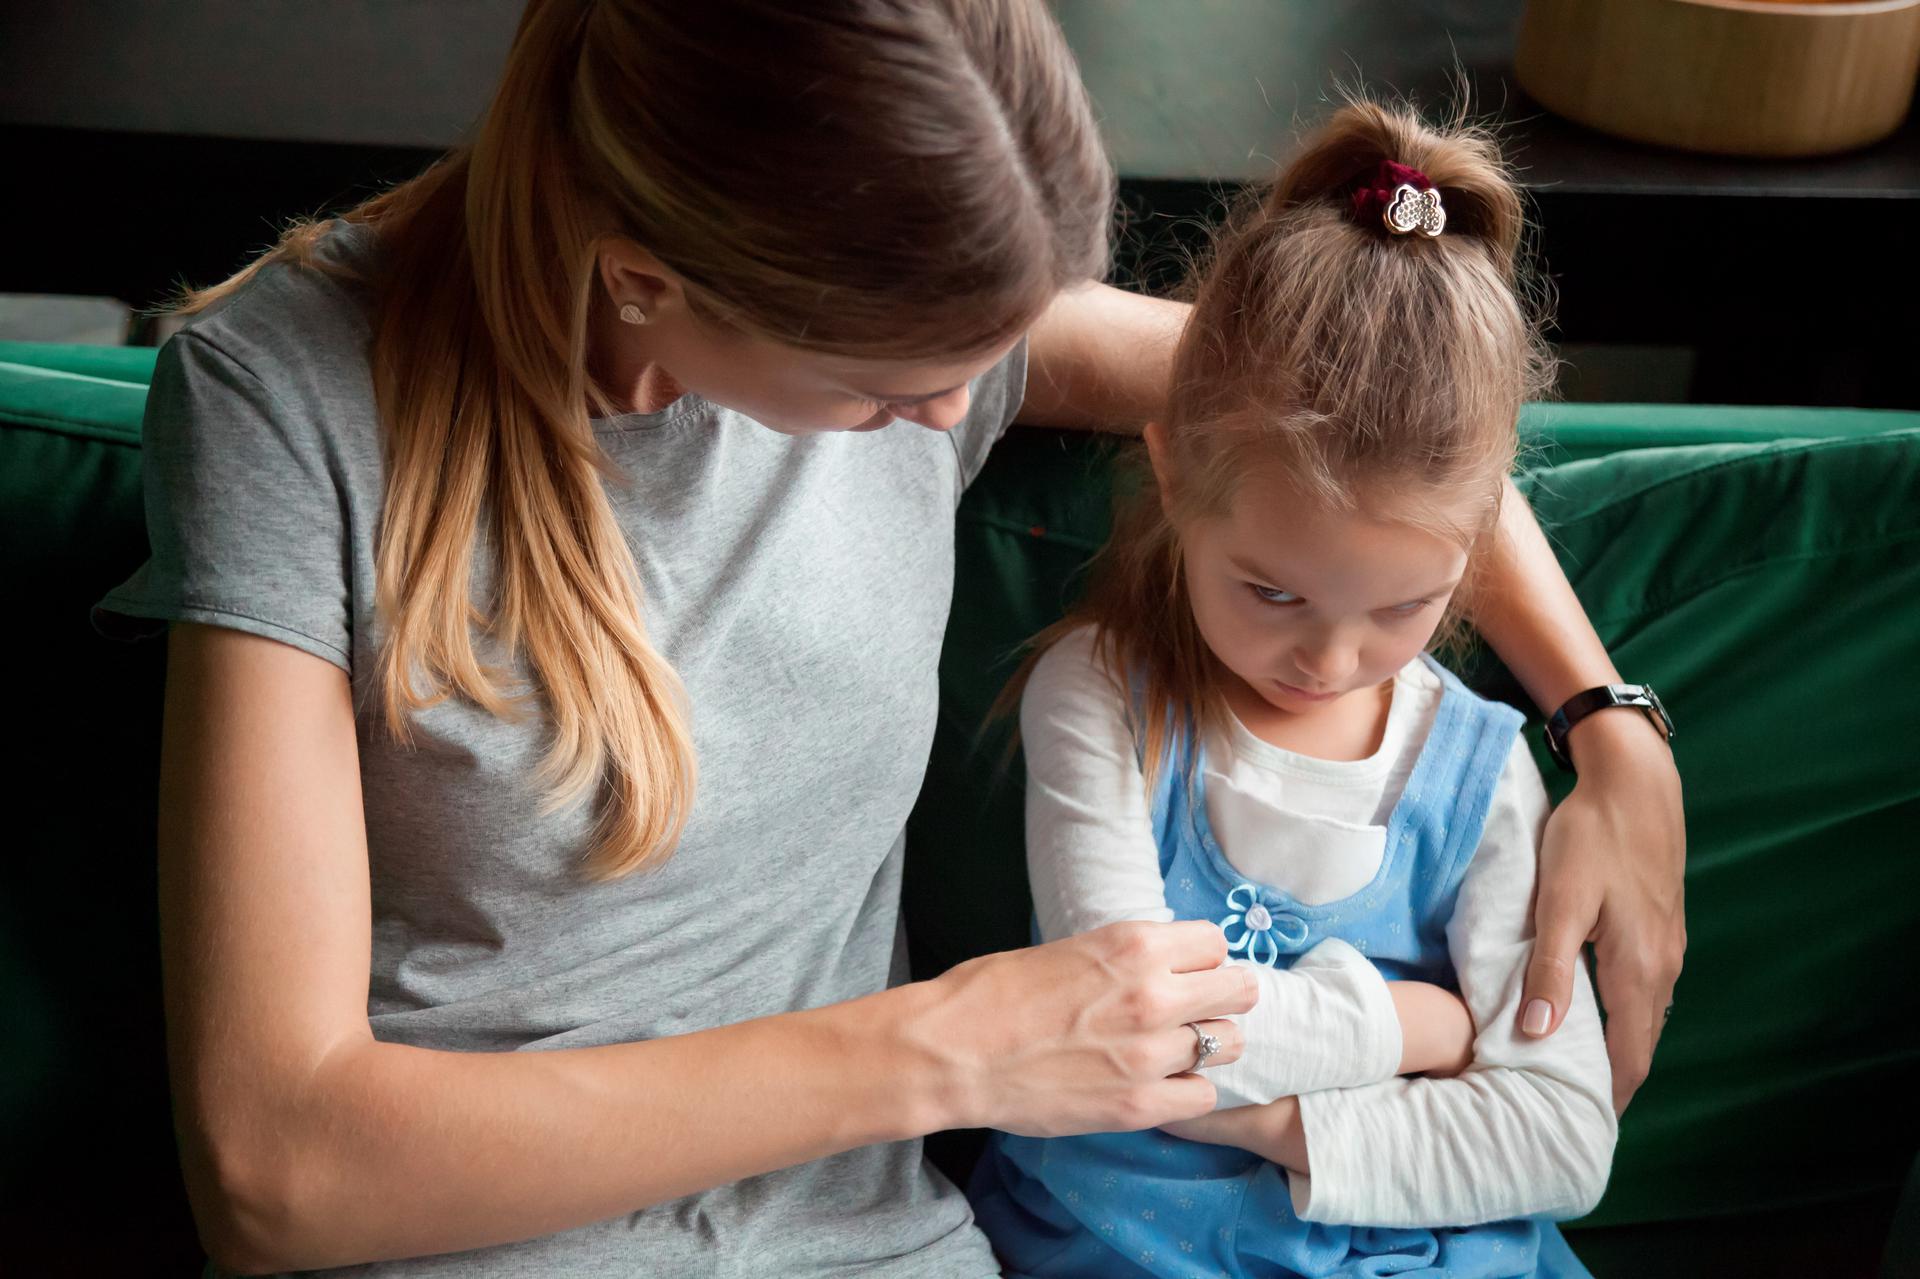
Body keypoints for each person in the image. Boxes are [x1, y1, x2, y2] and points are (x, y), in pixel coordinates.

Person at [90, 2, 1680, 1274]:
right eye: (888, 392)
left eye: (993, 355)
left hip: (881, 1244)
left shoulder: (923, 318)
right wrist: (944, 1053)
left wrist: (1606, 718)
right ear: (647, 280)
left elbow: (1387, 417)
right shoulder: (284, 404)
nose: (945, 416)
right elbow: (278, 1171)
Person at [968, 99, 1618, 1278]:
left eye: (1405, 608)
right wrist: (1411, 1028)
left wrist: (1266, 1117)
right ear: (1172, 474)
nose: (1328, 661)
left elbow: (1564, 1136)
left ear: (1479, 541)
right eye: (1271, 594)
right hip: (1131, 1246)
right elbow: (1121, 1029)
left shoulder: (1483, 771)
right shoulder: (1106, 700)